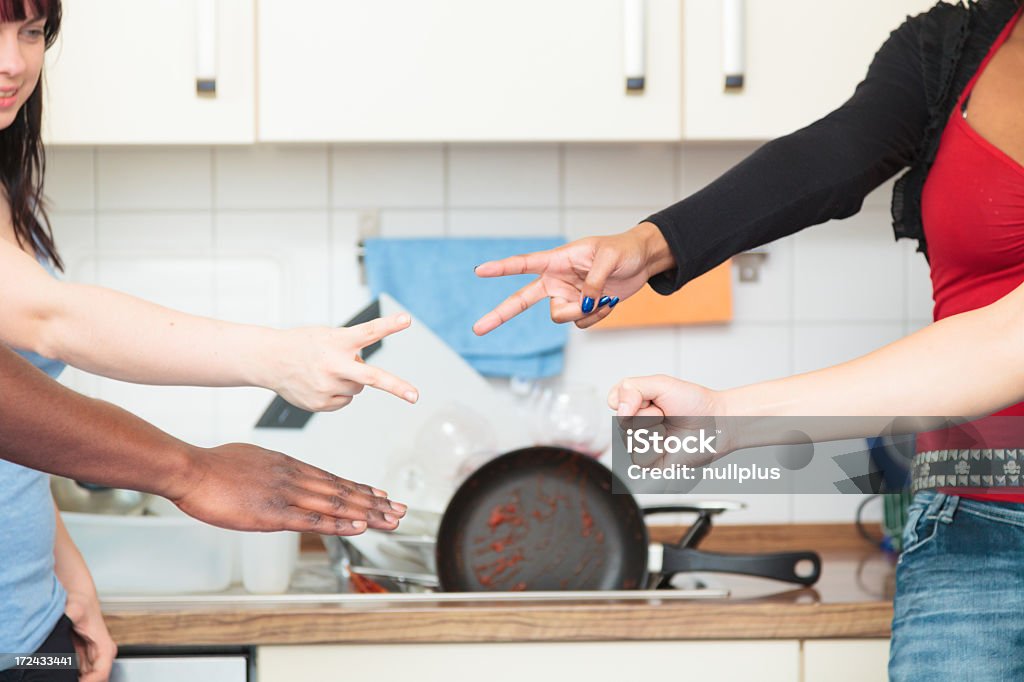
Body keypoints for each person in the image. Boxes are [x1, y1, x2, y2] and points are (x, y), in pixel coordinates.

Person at [473, 0, 1024, 678]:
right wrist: (648, 247)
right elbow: (827, 158)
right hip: (969, 516)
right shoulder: (956, 45)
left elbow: (1005, 342)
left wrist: (729, 419)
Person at [0, 2, 414, 681]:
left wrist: (64, 572)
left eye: (33, 31)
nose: (15, 63)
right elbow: (52, 319)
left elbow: (16, 411)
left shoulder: (5, 181)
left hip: (28, 621)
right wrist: (272, 360)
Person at [0, 344, 402, 681]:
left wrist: (71, 578)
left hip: (36, 632)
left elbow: (17, 453)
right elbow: (52, 322)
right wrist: (195, 473)